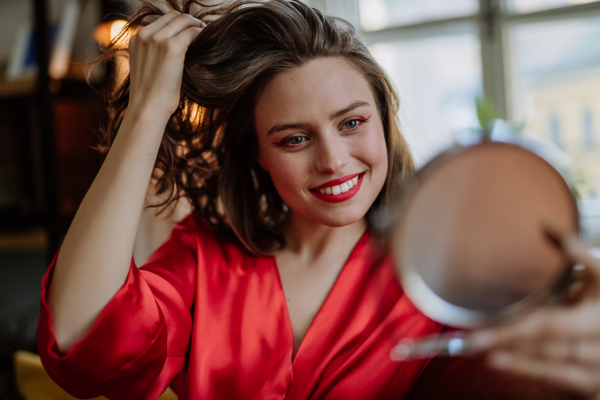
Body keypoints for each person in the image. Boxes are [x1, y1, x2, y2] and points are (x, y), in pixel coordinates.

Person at [35, 0, 600, 399]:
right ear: (258, 153)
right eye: (295, 138)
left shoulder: (451, 264)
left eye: (352, 122)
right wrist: (148, 112)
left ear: (383, 122)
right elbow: (80, 345)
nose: (332, 160)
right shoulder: (203, 263)